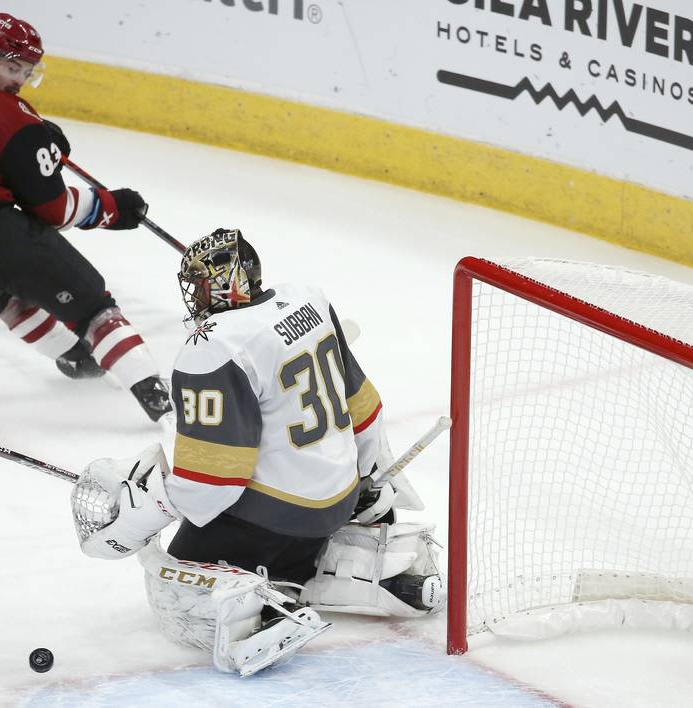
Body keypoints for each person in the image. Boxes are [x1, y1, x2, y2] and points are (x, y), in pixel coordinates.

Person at [70, 228, 446, 676]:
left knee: (173, 581)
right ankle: (353, 567)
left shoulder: (212, 346)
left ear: (230, 281)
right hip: (339, 498)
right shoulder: (310, 301)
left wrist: (150, 507)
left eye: (202, 284)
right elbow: (364, 405)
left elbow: (214, 482)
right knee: (291, 530)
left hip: (274, 518)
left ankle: (259, 617)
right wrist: (366, 476)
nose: (197, 296)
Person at [0, 11, 172, 423]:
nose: (19, 79)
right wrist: (114, 208)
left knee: (8, 296)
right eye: (12, 67)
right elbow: (54, 209)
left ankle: (75, 359)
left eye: (26, 70)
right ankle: (162, 405)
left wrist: (36, 135)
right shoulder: (15, 122)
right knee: (94, 307)